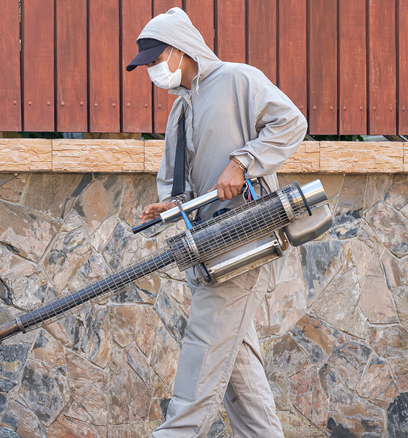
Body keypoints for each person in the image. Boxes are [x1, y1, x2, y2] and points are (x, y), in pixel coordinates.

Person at [126, 7, 306, 438]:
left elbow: (291, 123)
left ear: (181, 50)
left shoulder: (238, 80)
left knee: (202, 356)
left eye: (156, 59)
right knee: (240, 374)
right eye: (147, 64)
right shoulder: (182, 109)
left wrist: (243, 162)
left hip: (241, 239)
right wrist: (172, 205)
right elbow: (187, 184)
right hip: (205, 247)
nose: (153, 70)